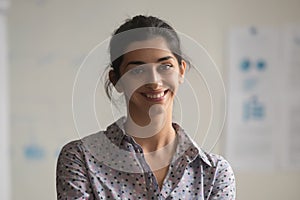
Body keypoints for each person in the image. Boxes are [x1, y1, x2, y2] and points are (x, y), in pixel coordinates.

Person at [56, 15, 236, 199]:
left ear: (181, 71)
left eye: (165, 66)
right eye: (138, 70)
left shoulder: (214, 174)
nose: (154, 82)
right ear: (116, 79)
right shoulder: (80, 158)